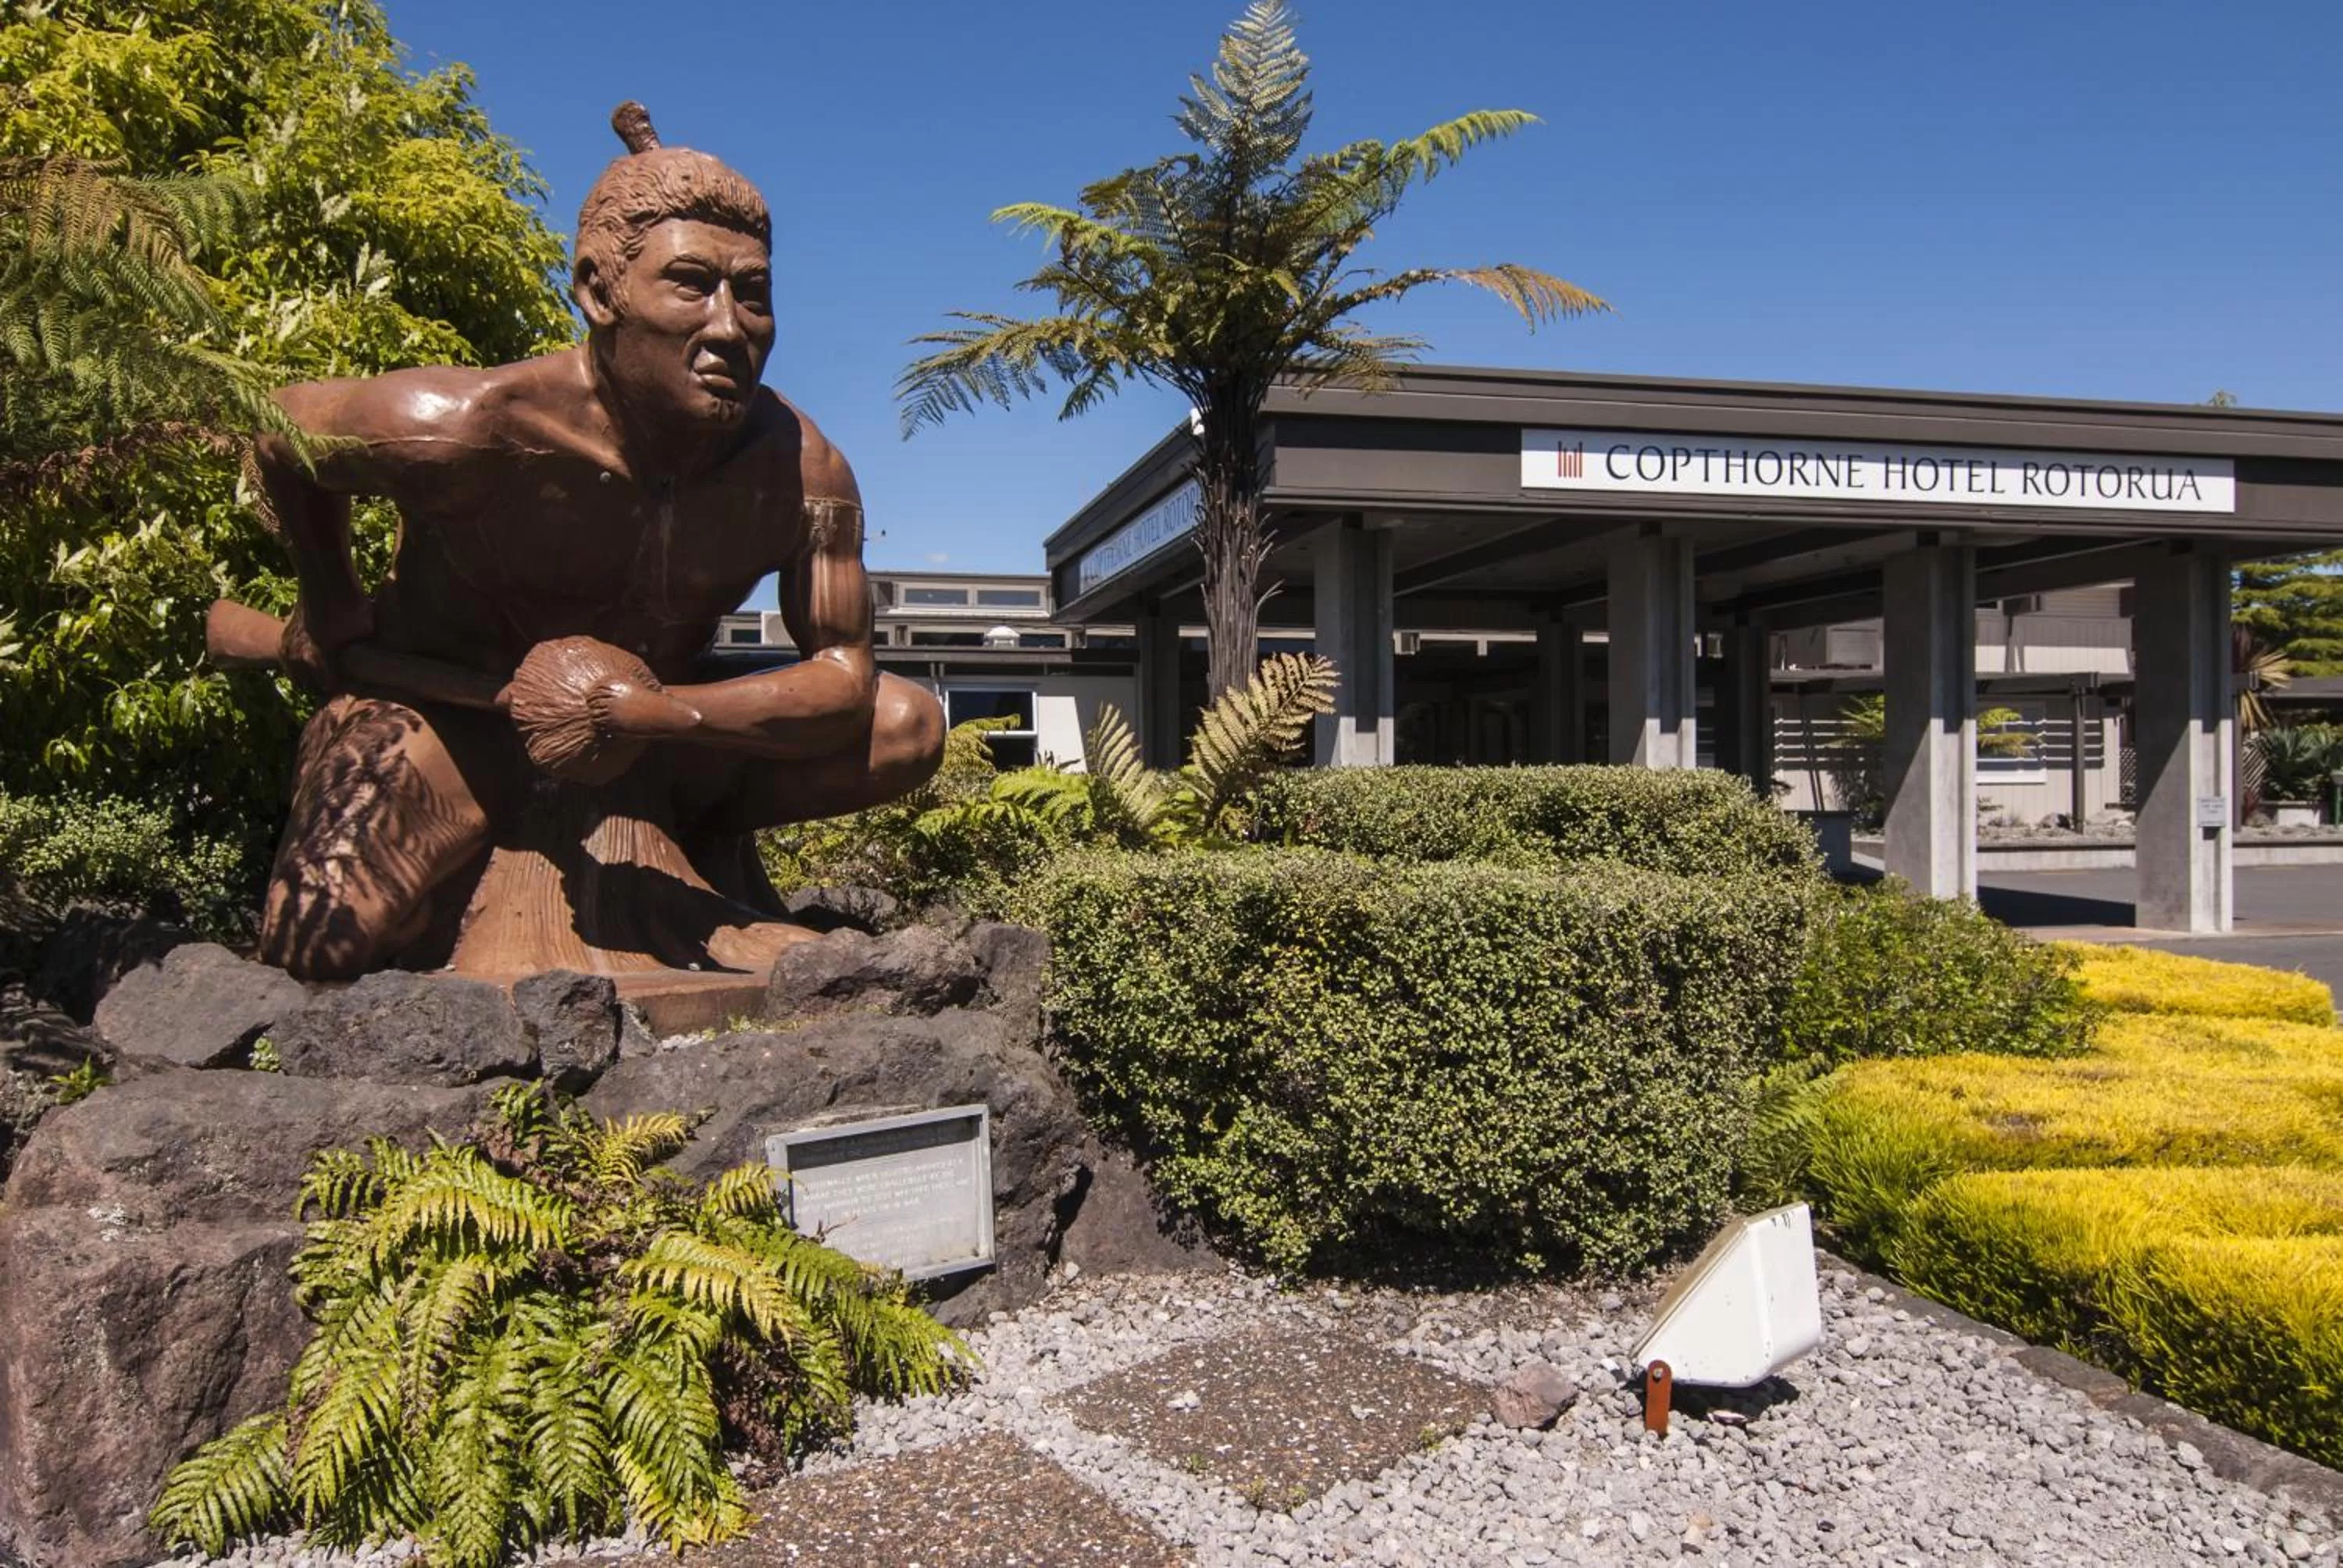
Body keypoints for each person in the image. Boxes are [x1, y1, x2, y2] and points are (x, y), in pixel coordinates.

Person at [251, 104, 942, 980]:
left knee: (905, 723)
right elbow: (281, 433)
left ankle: (679, 844)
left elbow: (847, 681)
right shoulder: (469, 429)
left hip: (656, 745)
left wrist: (665, 715)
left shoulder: (804, 476)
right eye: (691, 284)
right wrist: (332, 601)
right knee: (319, 938)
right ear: (597, 291)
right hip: (458, 719)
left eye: (753, 293)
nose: (729, 324)